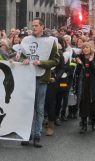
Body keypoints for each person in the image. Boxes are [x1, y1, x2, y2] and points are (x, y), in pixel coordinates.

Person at [19, 17, 60, 147]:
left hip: (41, 78)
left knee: (39, 107)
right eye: (32, 25)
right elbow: (22, 56)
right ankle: (26, 133)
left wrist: (42, 63)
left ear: (42, 26)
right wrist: (23, 61)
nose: (33, 28)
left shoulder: (50, 41)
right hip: (28, 77)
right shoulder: (26, 40)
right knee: (27, 106)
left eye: (36, 25)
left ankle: (37, 135)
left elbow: (55, 60)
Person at [74, 42, 95, 133]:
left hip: (92, 84)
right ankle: (84, 125)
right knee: (83, 104)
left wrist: (91, 61)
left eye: (87, 47)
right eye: (84, 47)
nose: (85, 49)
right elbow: (77, 72)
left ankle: (93, 123)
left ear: (91, 49)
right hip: (82, 84)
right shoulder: (79, 58)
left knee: (93, 105)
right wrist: (80, 64)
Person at [44, 36, 67, 135]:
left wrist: (56, 78)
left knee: (50, 103)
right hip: (42, 78)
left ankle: (50, 125)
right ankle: (42, 120)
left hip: (52, 80)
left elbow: (62, 68)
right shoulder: (42, 51)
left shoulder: (59, 53)